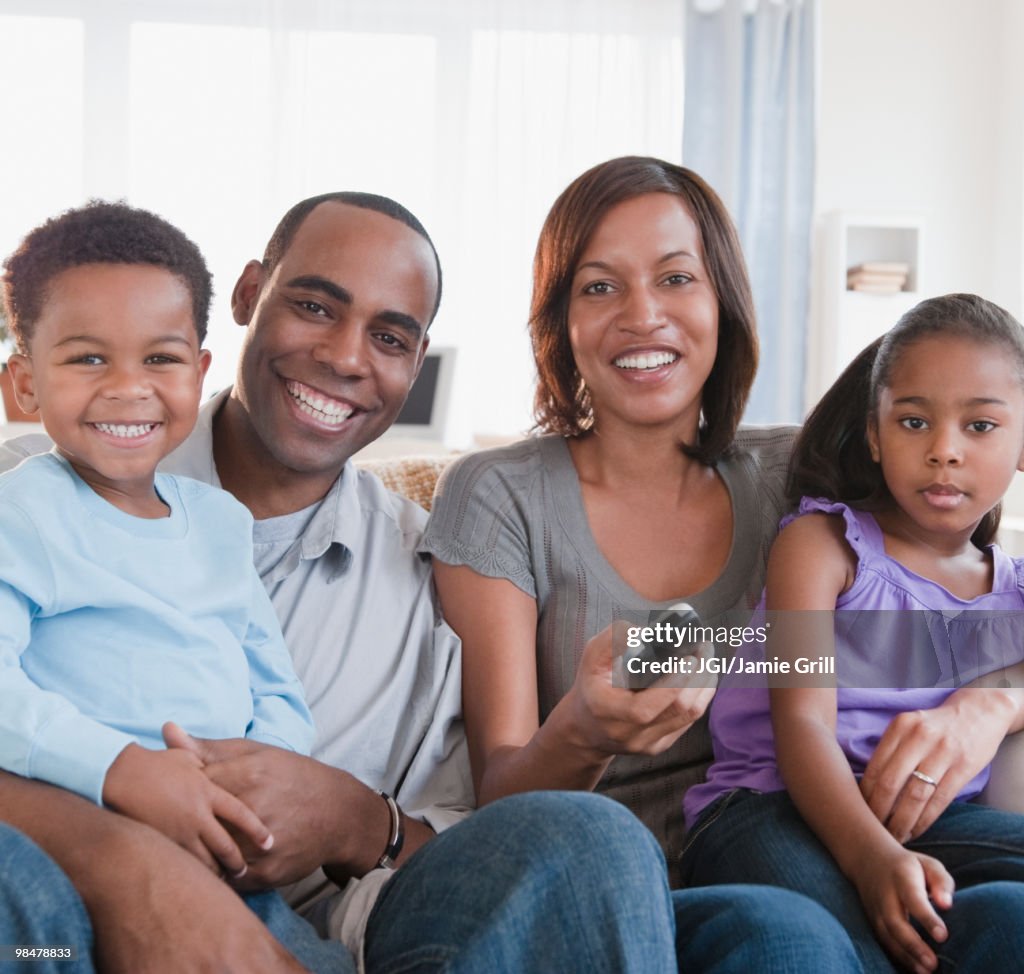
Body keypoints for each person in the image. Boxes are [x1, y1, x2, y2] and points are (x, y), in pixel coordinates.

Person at [0, 190, 727, 974]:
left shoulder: (432, 570)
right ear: (249, 295)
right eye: (315, 306)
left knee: (674, 876)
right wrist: (121, 858)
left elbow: (477, 840)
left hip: (320, 912)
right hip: (58, 896)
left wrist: (350, 818)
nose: (347, 357)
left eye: (388, 336)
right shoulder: (25, 498)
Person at [421, 156, 861, 969]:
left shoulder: (799, 476)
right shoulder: (499, 495)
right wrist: (583, 732)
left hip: (777, 856)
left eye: (675, 278)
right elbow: (501, 800)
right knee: (785, 935)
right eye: (599, 287)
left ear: (721, 300)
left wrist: (985, 710)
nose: (642, 314)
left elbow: (967, 608)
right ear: (560, 321)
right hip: (593, 894)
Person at [681, 294, 1024, 973]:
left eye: (981, 426)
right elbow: (802, 726)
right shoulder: (824, 545)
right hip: (770, 807)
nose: (944, 452)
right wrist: (873, 859)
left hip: (933, 822)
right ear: (874, 435)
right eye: (914, 421)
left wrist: (1005, 703)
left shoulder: (1013, 589)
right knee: (831, 949)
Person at [0, 201, 313, 879]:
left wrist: (258, 783)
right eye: (88, 358)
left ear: (199, 376)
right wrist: (122, 771)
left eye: (159, 359)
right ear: (24, 386)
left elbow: (278, 690)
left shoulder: (221, 522)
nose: (127, 387)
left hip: (223, 843)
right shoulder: (21, 514)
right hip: (77, 844)